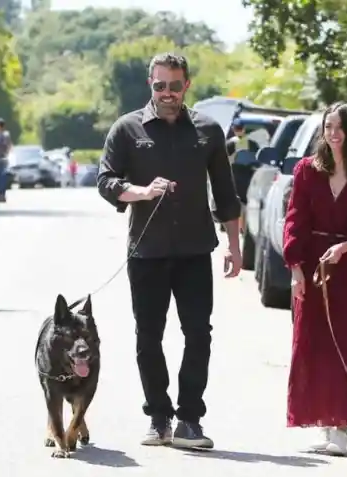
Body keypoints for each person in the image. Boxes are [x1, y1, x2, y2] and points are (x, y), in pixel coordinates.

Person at [97, 52, 242, 450]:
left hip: (196, 249)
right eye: (159, 85)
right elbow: (106, 180)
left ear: (186, 86)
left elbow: (226, 195)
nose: (167, 93)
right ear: (150, 85)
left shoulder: (209, 131)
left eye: (174, 86)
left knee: (198, 334)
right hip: (147, 252)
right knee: (149, 336)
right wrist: (141, 192)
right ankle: (158, 418)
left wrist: (234, 245)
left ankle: (190, 420)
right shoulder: (127, 129)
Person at [282, 102, 347, 455]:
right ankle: (321, 425)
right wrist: (295, 269)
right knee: (312, 347)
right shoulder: (307, 171)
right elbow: (294, 221)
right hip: (312, 269)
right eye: (328, 126)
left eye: (340, 127)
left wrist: (346, 248)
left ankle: (341, 427)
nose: (333, 133)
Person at [0, 118, 12, 202]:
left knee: (1, 177)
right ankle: (0, 194)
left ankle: (1, 194)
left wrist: (5, 154)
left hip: (1, 158)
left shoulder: (4, 134)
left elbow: (8, 145)